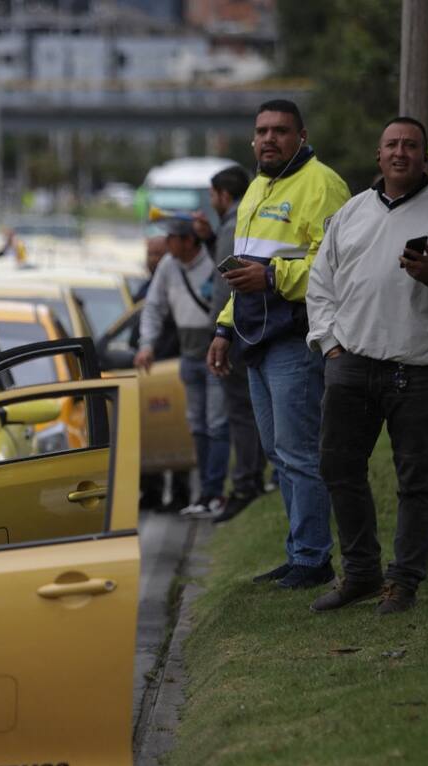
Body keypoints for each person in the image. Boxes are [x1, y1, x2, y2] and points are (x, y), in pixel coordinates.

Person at [306, 117, 428, 615]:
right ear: (378, 156)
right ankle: (361, 572)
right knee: (339, 468)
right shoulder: (352, 212)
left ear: (425, 158)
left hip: (419, 372)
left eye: (411, 146)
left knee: (416, 480)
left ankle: (404, 582)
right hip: (351, 366)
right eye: (392, 145)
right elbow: (321, 285)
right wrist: (331, 346)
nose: (400, 153)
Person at [207, 99, 351, 590]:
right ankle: (300, 552)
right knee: (277, 451)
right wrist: (224, 329)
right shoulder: (255, 190)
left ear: (301, 136)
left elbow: (335, 267)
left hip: (296, 337)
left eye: (280, 131)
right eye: (262, 131)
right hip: (255, 339)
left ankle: (313, 559)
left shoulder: (323, 184)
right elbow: (241, 273)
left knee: (300, 452)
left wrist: (272, 276)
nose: (269, 139)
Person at [136, 218, 227, 516]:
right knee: (197, 426)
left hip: (214, 352)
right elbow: (154, 306)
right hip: (188, 357)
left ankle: (214, 492)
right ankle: (204, 495)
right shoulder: (169, 266)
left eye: (172, 238)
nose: (167, 244)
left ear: (189, 241)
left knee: (216, 424)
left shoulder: (213, 260)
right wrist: (146, 344)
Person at [194, 164, 267, 522]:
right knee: (251, 408)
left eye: (212, 196)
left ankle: (245, 483)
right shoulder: (246, 217)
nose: (212, 202)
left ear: (224, 195)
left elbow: (227, 285)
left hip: (235, 329)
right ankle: (256, 478)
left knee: (240, 411)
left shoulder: (234, 222)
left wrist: (219, 331)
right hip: (250, 326)